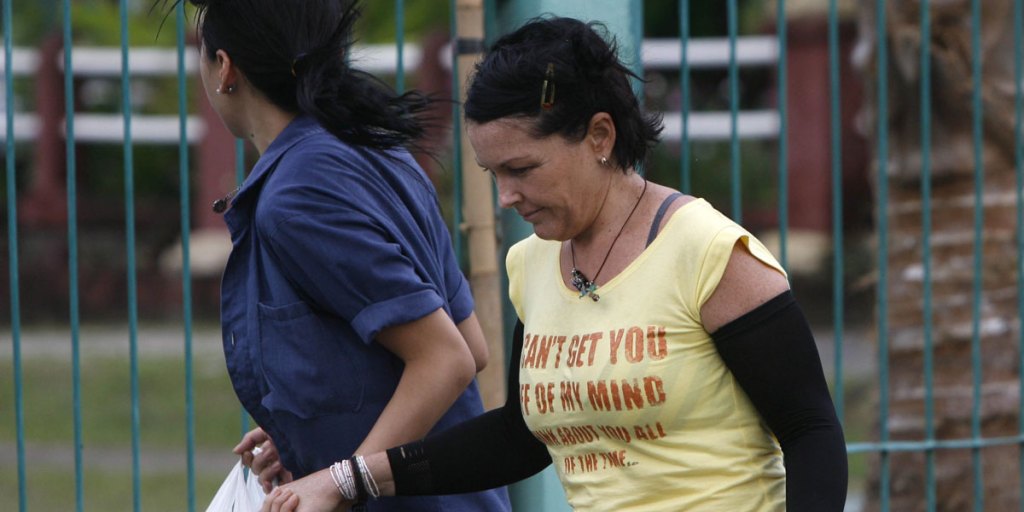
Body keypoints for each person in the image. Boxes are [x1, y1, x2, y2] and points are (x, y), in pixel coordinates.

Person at [261, 15, 848, 512]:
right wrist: (349, 478)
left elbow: (810, 431)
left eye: (522, 169)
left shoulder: (708, 253)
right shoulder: (531, 264)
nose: (506, 197)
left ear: (599, 136)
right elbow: (521, 438)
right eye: (494, 175)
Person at [183, 0, 512, 510]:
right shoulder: (379, 151)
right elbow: (471, 346)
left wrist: (340, 481)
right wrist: (306, 429)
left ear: (225, 69)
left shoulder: (297, 197)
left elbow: (446, 359)